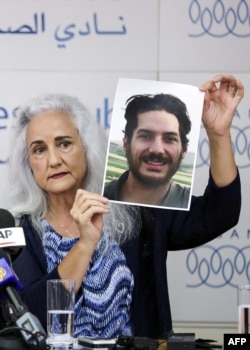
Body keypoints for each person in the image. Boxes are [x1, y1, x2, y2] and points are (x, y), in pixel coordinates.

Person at [5, 74, 243, 340]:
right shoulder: (17, 232)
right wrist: (85, 244)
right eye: (39, 150)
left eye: (64, 143)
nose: (53, 160)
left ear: (87, 147)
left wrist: (218, 134)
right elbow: (29, 319)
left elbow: (220, 213)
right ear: (28, 163)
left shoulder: (135, 209)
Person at [105, 93, 192, 208]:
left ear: (184, 150)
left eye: (170, 139)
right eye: (145, 136)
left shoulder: (192, 204)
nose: (157, 150)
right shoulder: (98, 196)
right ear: (126, 143)